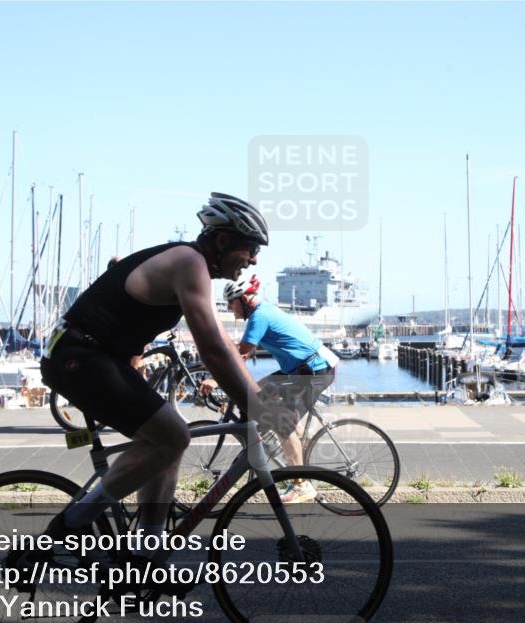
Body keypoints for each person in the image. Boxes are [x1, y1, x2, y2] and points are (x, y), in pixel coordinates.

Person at [40, 193, 288, 550]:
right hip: (78, 356)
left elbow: (217, 340)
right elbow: (215, 351)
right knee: (173, 435)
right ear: (222, 240)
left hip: (92, 356)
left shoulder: (188, 264)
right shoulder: (189, 263)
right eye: (250, 249)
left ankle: (148, 552)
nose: (253, 260)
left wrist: (254, 398)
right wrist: (258, 405)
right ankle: (71, 523)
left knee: (170, 434)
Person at [201, 274, 339, 503]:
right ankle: (266, 445)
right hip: (298, 368)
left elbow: (242, 354)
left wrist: (216, 380)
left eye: (231, 303)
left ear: (244, 299)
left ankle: (301, 483)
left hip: (315, 369)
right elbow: (239, 350)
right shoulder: (261, 312)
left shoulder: (260, 316)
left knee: (283, 423)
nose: (229, 308)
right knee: (254, 394)